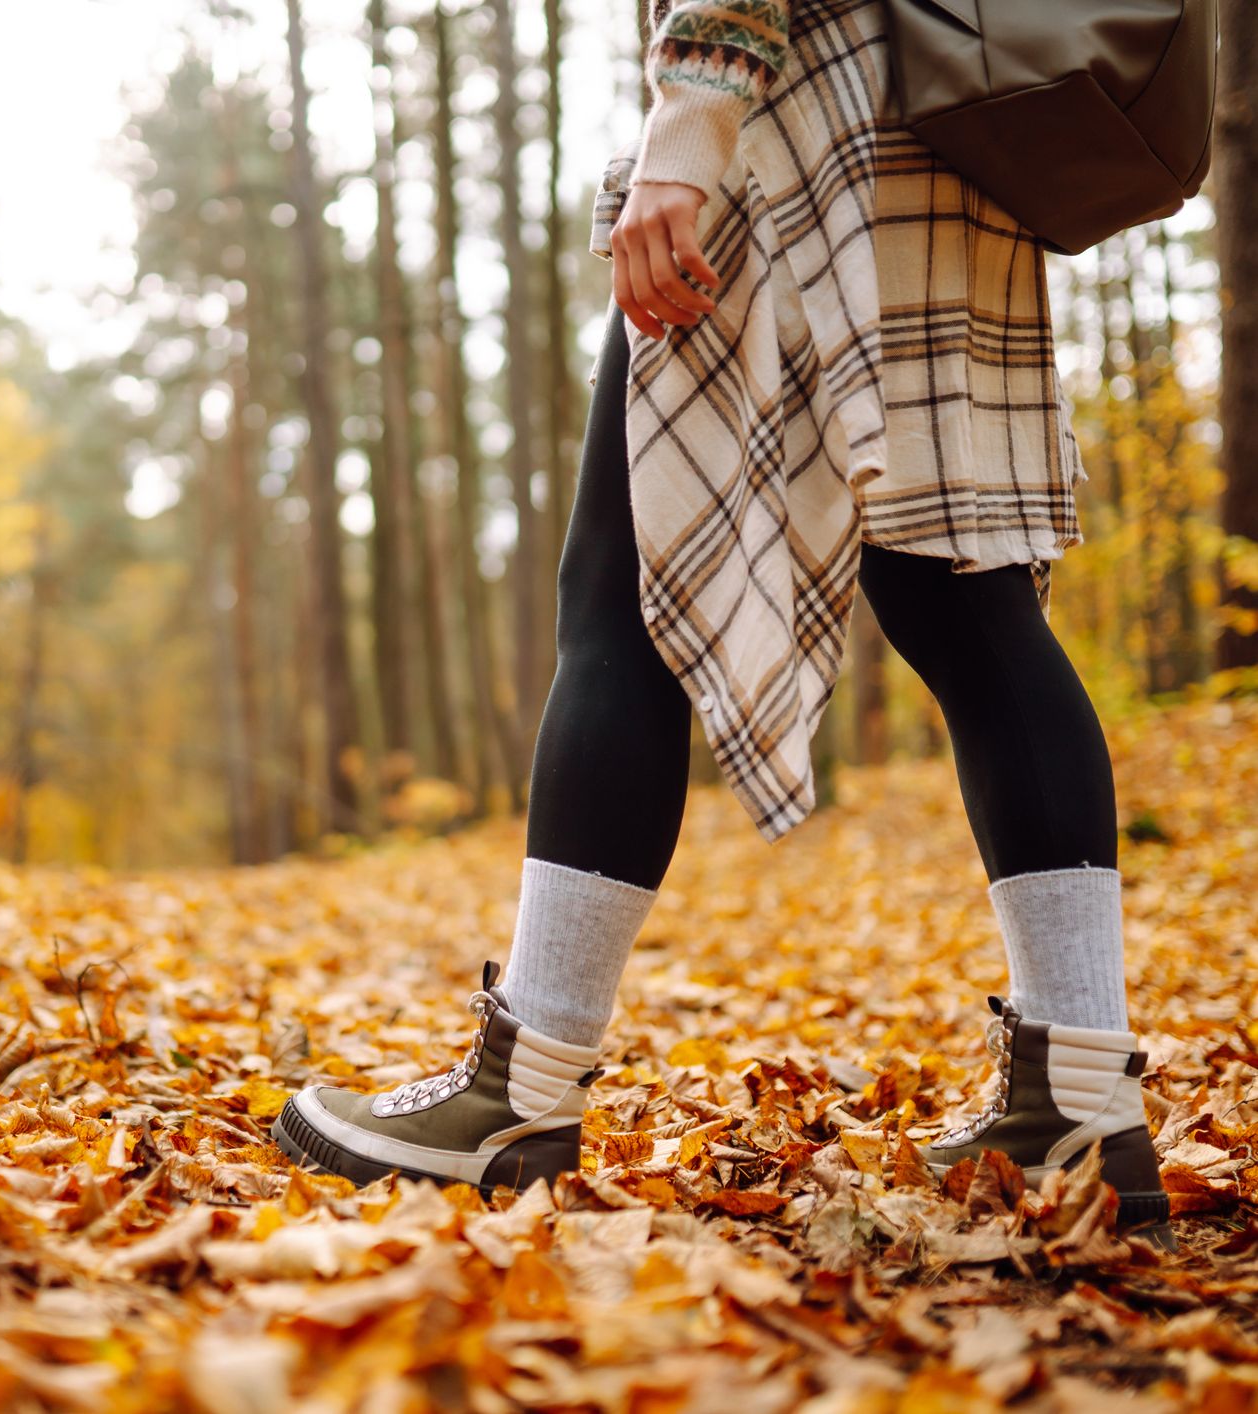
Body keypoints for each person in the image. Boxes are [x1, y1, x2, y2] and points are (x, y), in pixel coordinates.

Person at [275, 0, 1173, 1249]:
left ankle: (517, 1095)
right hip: (938, 147)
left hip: (793, 140)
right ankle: (1076, 1105)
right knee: (966, 600)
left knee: (621, 591)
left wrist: (684, 134)